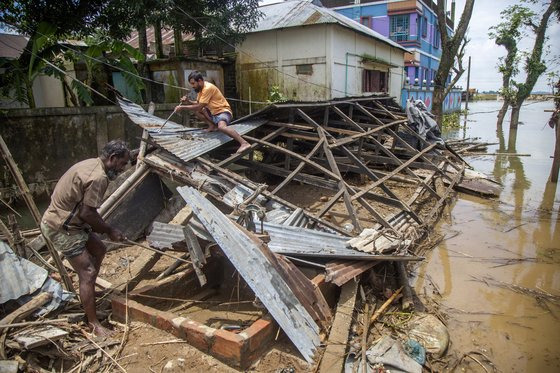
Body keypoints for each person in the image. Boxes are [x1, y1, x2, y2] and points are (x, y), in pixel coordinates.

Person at [40, 140, 130, 337]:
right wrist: (110, 230)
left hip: (72, 223)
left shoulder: (92, 164)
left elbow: (85, 213)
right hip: (61, 227)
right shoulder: (98, 177)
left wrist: (106, 229)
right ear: (112, 159)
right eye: (122, 164)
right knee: (87, 271)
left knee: (99, 250)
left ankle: (88, 293)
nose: (123, 169)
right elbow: (88, 213)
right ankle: (93, 323)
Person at [175, 71, 251, 153]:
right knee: (197, 111)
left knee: (221, 127)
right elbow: (198, 105)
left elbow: (199, 106)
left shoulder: (207, 88)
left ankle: (244, 143)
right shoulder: (201, 90)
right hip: (213, 113)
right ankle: (212, 126)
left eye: (193, 83)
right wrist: (188, 101)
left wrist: (182, 107)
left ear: (200, 81)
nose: (192, 86)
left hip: (223, 112)